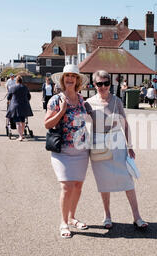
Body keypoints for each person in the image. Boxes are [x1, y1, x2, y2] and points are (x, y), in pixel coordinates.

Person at [85, 70, 148, 230]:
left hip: (117, 143)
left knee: (127, 180)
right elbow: (81, 124)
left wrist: (130, 145)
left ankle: (137, 217)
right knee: (103, 182)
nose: (103, 86)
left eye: (106, 83)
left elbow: (125, 125)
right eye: (100, 84)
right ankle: (107, 216)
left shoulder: (117, 101)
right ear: (94, 85)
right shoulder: (88, 103)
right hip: (98, 144)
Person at [44, 65, 90, 239]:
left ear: (77, 80)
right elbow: (47, 124)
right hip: (62, 150)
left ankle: (72, 217)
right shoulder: (56, 100)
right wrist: (62, 111)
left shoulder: (81, 99)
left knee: (77, 186)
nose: (70, 79)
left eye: (73, 76)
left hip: (81, 151)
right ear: (62, 80)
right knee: (66, 186)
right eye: (67, 76)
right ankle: (63, 222)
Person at [6, 75, 34, 141]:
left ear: (16, 80)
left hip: (15, 106)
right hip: (24, 106)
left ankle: (20, 136)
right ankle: (22, 135)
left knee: (18, 122)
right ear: (22, 81)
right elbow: (29, 96)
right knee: (23, 121)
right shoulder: (25, 87)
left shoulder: (12, 87)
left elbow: (8, 97)